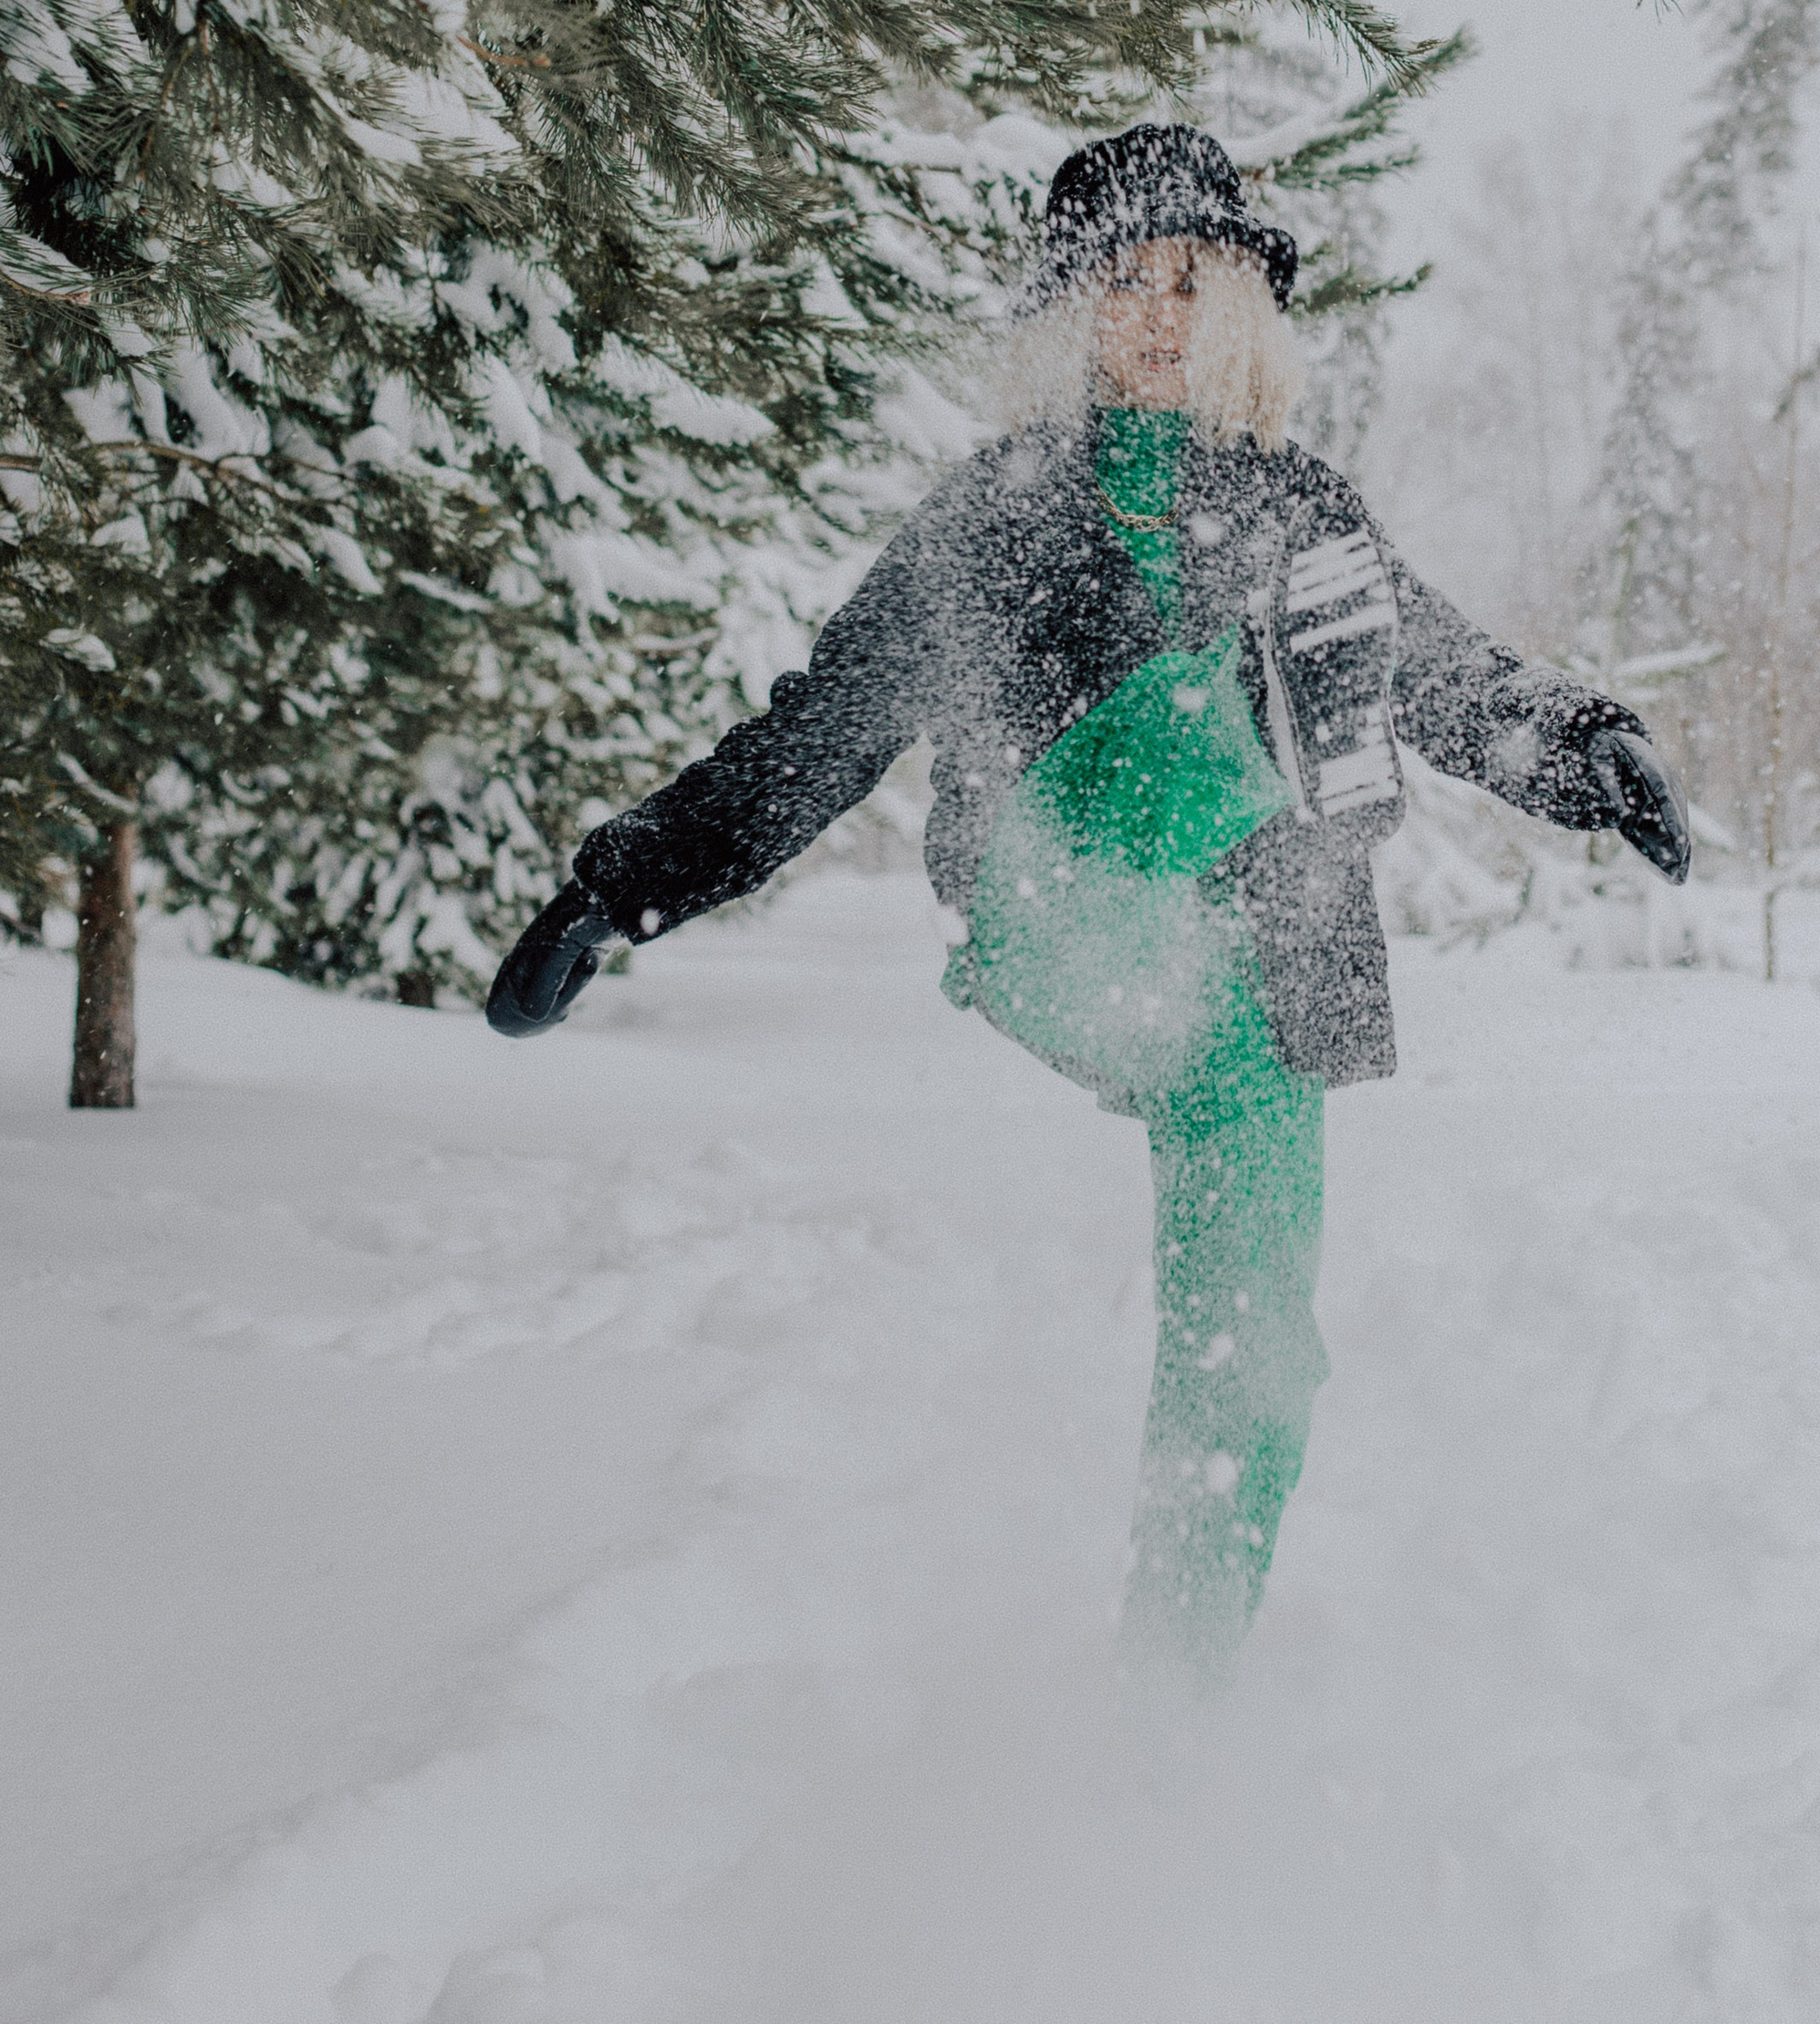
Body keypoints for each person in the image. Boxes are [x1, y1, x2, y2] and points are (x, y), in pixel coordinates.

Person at [488, 126, 1690, 1682]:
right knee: (1224, 719)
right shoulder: (996, 516)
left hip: (1260, 981)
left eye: (1196, 279)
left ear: (1242, 305)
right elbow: (823, 734)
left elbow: (1447, 677)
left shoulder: (1303, 513)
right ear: (1070, 311)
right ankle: (1262, 719)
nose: (1163, 313)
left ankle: (1172, 1709)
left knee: (1251, 1369)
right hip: (1055, 904)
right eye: (1124, 282)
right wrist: (622, 885)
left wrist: (1584, 748)